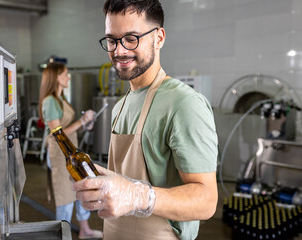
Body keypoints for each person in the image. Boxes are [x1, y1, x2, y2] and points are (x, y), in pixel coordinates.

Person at [72, 0, 219, 239]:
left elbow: (206, 201)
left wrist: (137, 196)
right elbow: (126, 183)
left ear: (159, 38)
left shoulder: (183, 103)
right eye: (112, 40)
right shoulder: (121, 105)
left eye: (131, 38)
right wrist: (103, 181)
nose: (119, 51)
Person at [38, 62, 103, 239]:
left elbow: (69, 127)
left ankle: (84, 229)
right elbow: (56, 133)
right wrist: (81, 122)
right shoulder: (50, 101)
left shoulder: (61, 98)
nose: (68, 77)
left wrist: (84, 125)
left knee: (82, 189)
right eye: (65, 74)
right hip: (60, 154)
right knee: (65, 196)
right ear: (56, 77)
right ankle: (62, 234)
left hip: (71, 151)